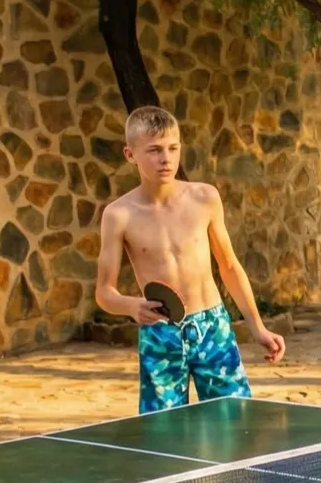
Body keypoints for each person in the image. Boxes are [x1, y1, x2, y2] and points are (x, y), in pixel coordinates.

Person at [95, 107, 286, 412]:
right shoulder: (119, 215)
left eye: (173, 148)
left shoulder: (204, 198)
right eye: (155, 151)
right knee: (163, 433)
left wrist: (258, 327)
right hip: (161, 333)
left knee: (237, 422)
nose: (166, 159)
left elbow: (229, 266)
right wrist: (132, 307)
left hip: (213, 327)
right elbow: (104, 292)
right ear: (130, 155)